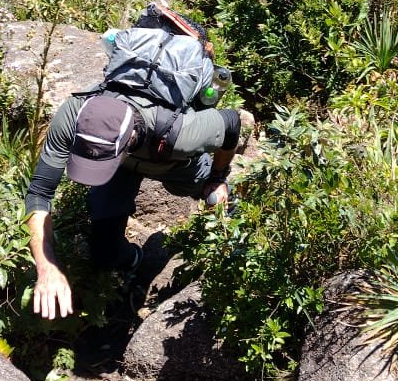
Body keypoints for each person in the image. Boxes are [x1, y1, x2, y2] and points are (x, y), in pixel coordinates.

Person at [25, 37, 253, 320]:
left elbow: (231, 121)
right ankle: (134, 261)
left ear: (127, 141)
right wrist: (46, 266)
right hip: (122, 168)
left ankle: (239, 246)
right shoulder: (74, 112)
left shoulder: (182, 134)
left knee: (217, 199)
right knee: (105, 253)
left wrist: (217, 176)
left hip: (171, 161)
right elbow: (39, 193)